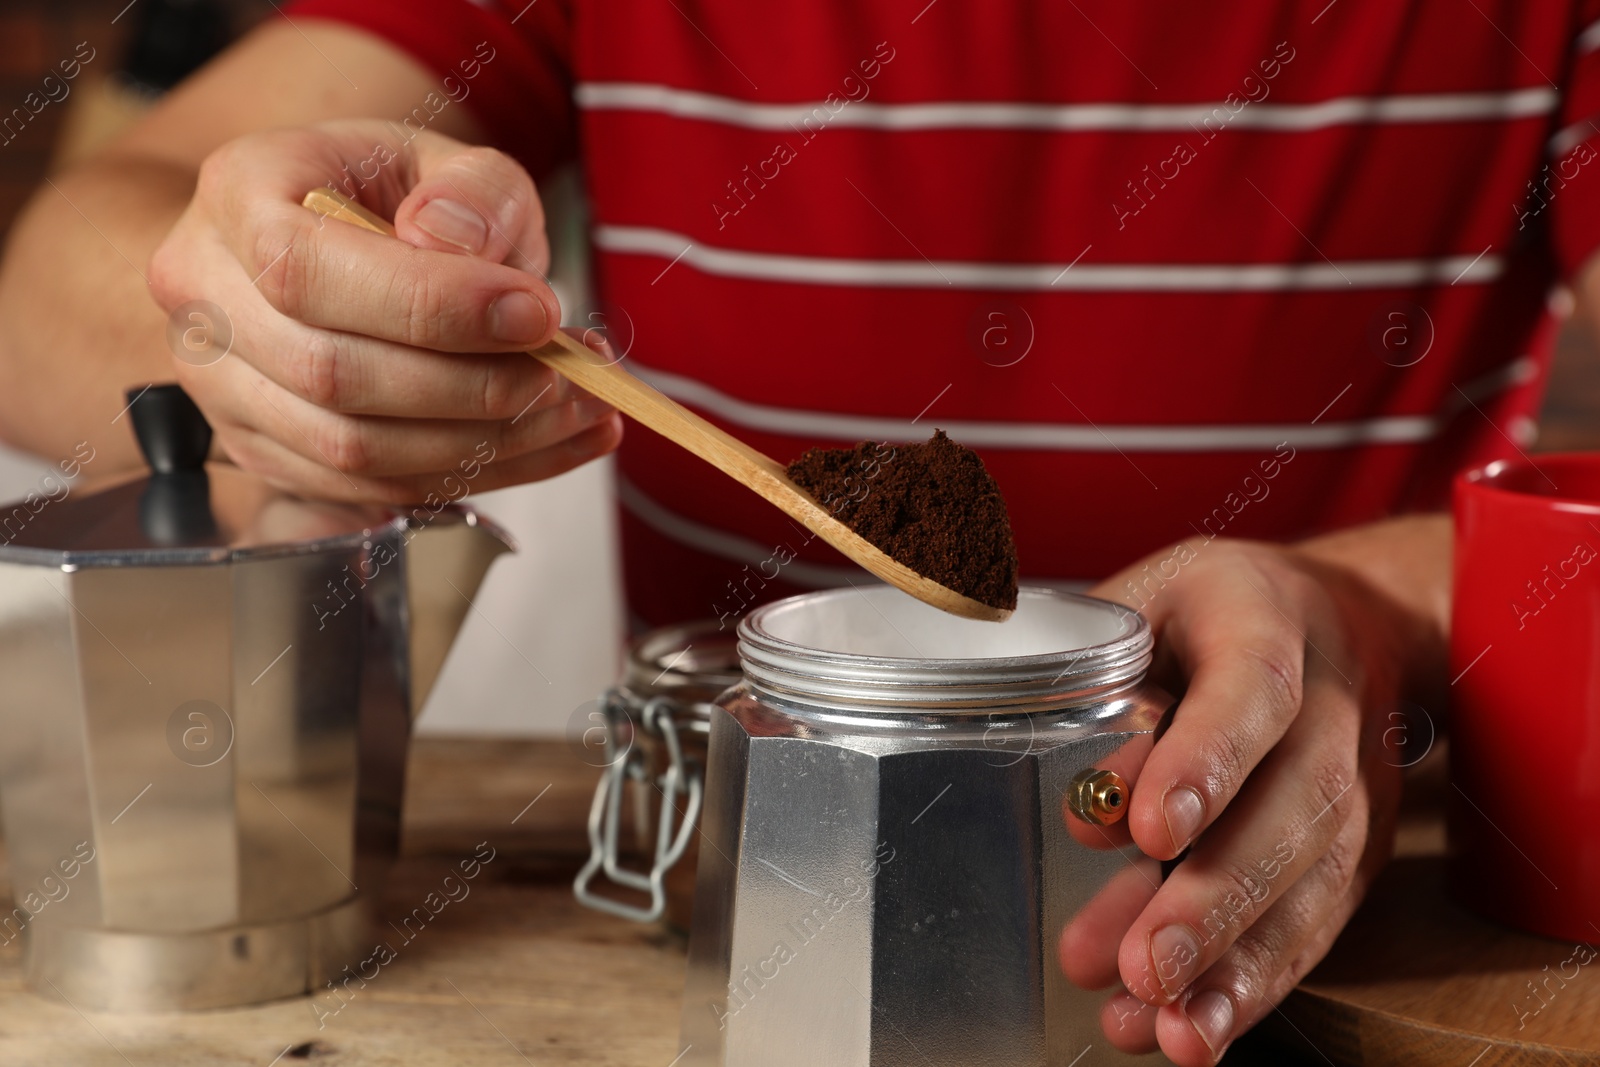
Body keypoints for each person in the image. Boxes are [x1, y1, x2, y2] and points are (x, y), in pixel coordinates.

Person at [0, 2, 1593, 1062]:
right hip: (706, 929)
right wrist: (266, 320)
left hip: (1365, 921)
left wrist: (1364, 609)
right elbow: (75, 250)